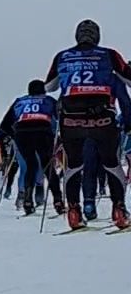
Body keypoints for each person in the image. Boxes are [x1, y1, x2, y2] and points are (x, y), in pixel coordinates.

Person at [43, 19, 131, 230]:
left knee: (74, 164)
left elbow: (49, 86)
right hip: (103, 118)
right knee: (111, 163)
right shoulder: (109, 54)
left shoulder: (62, 56)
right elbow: (127, 80)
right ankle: (119, 209)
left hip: (71, 119)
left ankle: (74, 210)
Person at [0, 79, 59, 215]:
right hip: (43, 131)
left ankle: (27, 200)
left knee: (30, 166)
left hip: (22, 133)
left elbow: (4, 126)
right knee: (47, 165)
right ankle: (58, 201)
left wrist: (15, 136)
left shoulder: (20, 101)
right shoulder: (49, 100)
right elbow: (60, 117)